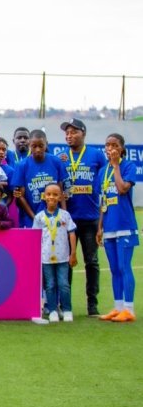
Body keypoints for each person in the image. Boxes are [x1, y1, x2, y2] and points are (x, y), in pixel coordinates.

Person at [58, 118, 105, 317]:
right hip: (68, 220)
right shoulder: (61, 157)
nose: (69, 136)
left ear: (83, 133)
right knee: (65, 262)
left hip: (90, 218)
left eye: (73, 132)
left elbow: (105, 183)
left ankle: (92, 305)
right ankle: (65, 304)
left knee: (91, 262)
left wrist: (102, 218)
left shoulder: (96, 155)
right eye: (67, 133)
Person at [96, 133, 138, 323]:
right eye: (108, 145)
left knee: (124, 267)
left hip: (125, 225)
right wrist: (100, 227)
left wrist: (115, 166)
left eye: (115, 145)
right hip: (109, 226)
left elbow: (121, 189)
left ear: (122, 149)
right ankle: (118, 307)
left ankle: (129, 309)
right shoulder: (102, 172)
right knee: (114, 269)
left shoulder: (128, 166)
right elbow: (103, 201)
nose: (110, 148)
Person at [33, 183, 77, 322]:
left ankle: (67, 310)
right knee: (50, 285)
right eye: (49, 194)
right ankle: (52, 310)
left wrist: (73, 253)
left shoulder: (65, 215)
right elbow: (35, 237)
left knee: (64, 284)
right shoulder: (39, 217)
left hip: (63, 257)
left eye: (55, 194)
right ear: (44, 196)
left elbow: (72, 234)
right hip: (46, 258)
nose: (51, 197)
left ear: (61, 197)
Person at [10, 129, 69, 228]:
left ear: (46, 144)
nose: (37, 149)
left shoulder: (56, 162)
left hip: (55, 217)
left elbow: (61, 191)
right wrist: (35, 219)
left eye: (41, 146)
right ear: (29, 145)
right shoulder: (22, 165)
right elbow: (21, 197)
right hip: (31, 219)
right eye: (34, 146)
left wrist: (64, 214)